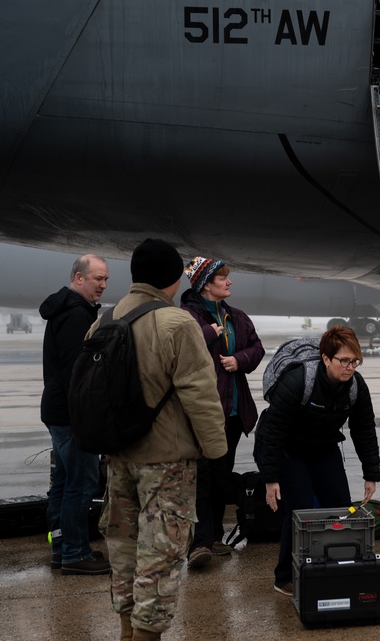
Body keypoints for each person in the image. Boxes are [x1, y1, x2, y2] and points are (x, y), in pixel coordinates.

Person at [97, 239, 227, 641]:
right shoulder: (177, 323)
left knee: (122, 546)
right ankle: (146, 637)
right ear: (174, 280)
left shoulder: (106, 318)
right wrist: (216, 449)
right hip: (166, 461)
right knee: (162, 554)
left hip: (118, 455)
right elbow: (200, 394)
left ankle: (125, 629)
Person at [254, 326, 380, 596]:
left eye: (354, 361)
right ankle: (284, 576)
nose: (350, 368)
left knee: (340, 506)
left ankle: (334, 566)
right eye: (343, 361)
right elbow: (274, 432)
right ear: (326, 359)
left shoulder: (356, 386)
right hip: (286, 447)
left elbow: (364, 430)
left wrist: (371, 474)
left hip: (322, 445)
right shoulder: (299, 381)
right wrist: (270, 479)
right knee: (299, 510)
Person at [179, 257, 265, 569]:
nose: (229, 283)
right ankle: (199, 543)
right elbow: (180, 349)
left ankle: (213, 537)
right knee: (201, 476)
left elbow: (257, 349)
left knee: (219, 476)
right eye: (222, 278)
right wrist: (209, 335)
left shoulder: (236, 317)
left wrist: (238, 360)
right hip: (202, 412)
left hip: (231, 411)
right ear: (204, 285)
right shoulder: (186, 316)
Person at [39, 254, 112, 575]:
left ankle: (61, 547)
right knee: (81, 484)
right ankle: (74, 552)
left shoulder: (66, 309)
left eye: (106, 279)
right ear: (79, 278)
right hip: (72, 413)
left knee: (65, 481)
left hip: (58, 409)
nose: (104, 285)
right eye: (98, 279)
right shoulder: (75, 316)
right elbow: (77, 374)